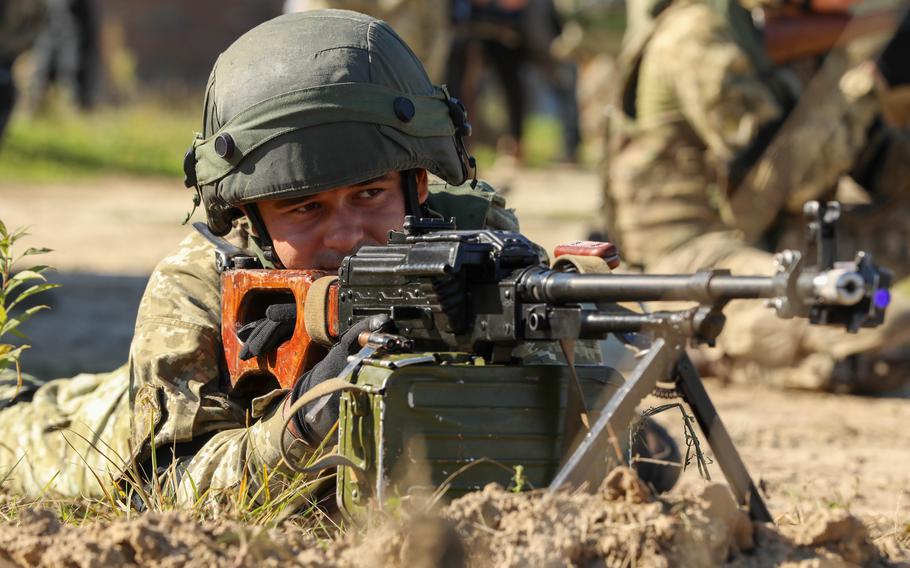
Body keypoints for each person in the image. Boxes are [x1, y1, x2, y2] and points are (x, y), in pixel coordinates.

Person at [0, 10, 677, 505]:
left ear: (417, 183)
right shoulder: (202, 283)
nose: (348, 233)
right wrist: (304, 423)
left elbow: (629, 442)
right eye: (306, 208)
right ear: (250, 216)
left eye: (370, 194)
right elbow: (159, 485)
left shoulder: (470, 247)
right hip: (67, 439)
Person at [602, 0, 910, 392]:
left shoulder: (788, 35)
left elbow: (885, 168)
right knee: (887, 323)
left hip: (775, 240)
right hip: (691, 259)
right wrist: (871, 79)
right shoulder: (696, 35)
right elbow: (785, 182)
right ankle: (707, 347)